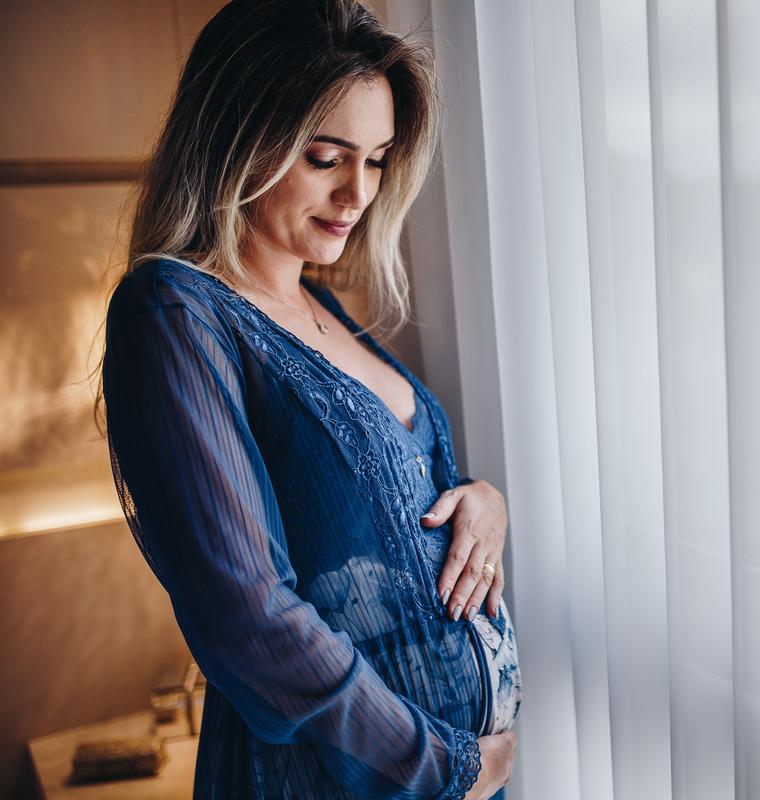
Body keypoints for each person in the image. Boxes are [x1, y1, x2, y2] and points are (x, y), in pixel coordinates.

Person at [100, 1, 519, 798]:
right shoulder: (175, 313)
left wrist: (483, 501)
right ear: (237, 139)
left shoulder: (321, 308)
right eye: (326, 158)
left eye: (378, 158)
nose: (358, 192)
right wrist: (448, 765)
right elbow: (251, 620)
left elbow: (381, 500)